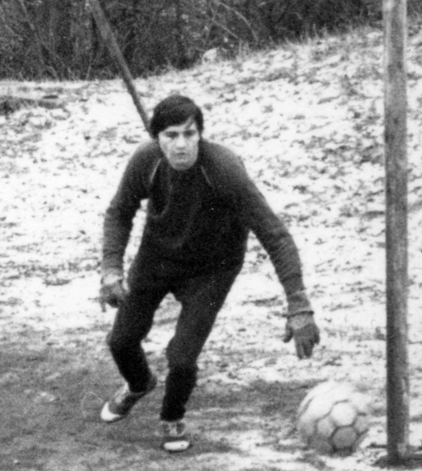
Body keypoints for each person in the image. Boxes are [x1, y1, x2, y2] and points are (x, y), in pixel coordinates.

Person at [99, 93, 320, 452]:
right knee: (121, 341)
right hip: (157, 257)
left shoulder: (224, 168)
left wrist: (299, 304)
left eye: (189, 134)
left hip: (212, 269)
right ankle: (139, 384)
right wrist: (111, 268)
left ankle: (172, 416)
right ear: (157, 138)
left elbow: (275, 235)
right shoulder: (145, 160)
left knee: (182, 358)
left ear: (200, 134)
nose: (181, 145)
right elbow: (119, 211)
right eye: (171, 135)